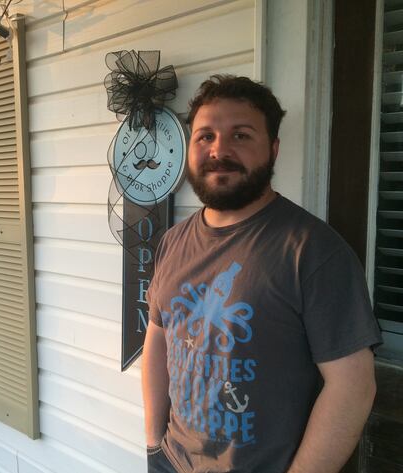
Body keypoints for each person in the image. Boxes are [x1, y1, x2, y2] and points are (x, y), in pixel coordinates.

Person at [142, 74, 382, 473]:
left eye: (241, 135)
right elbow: (158, 337)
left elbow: (352, 388)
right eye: (205, 136)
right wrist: (154, 444)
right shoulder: (173, 241)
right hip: (172, 461)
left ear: (272, 150)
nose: (220, 150)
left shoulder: (314, 251)